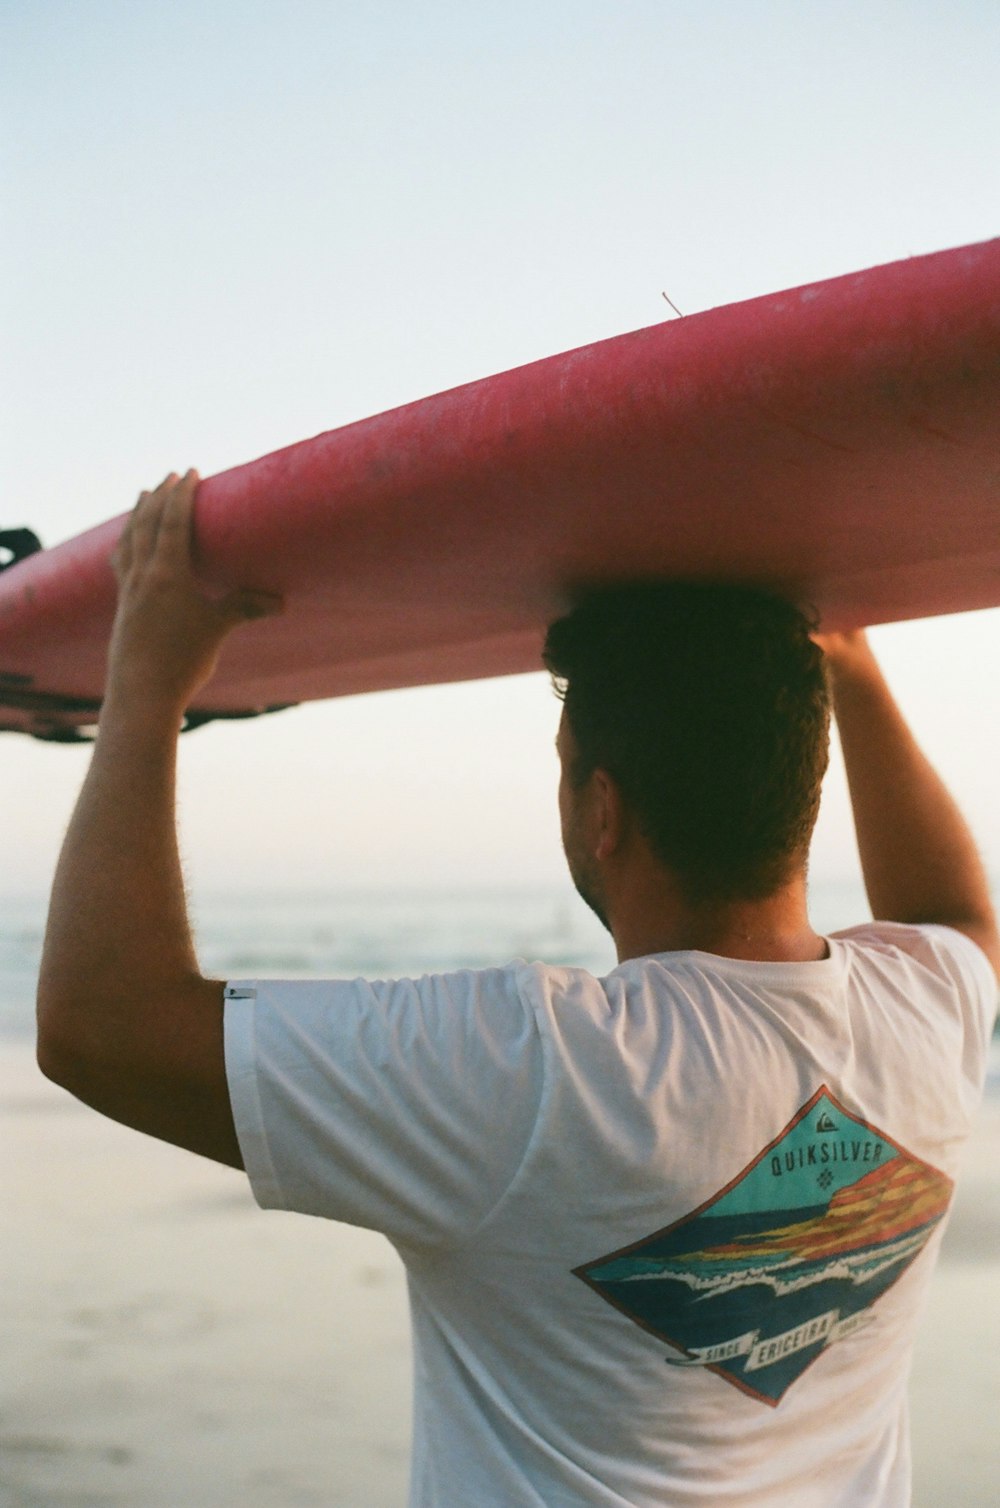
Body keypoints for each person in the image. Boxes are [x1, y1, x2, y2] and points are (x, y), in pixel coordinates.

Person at [37, 471, 998, 1507]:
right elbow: (959, 912)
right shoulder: (928, 1013)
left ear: (601, 811)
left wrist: (146, 679)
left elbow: (103, 1024)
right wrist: (850, 664)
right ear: (805, 790)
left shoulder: (528, 1070)